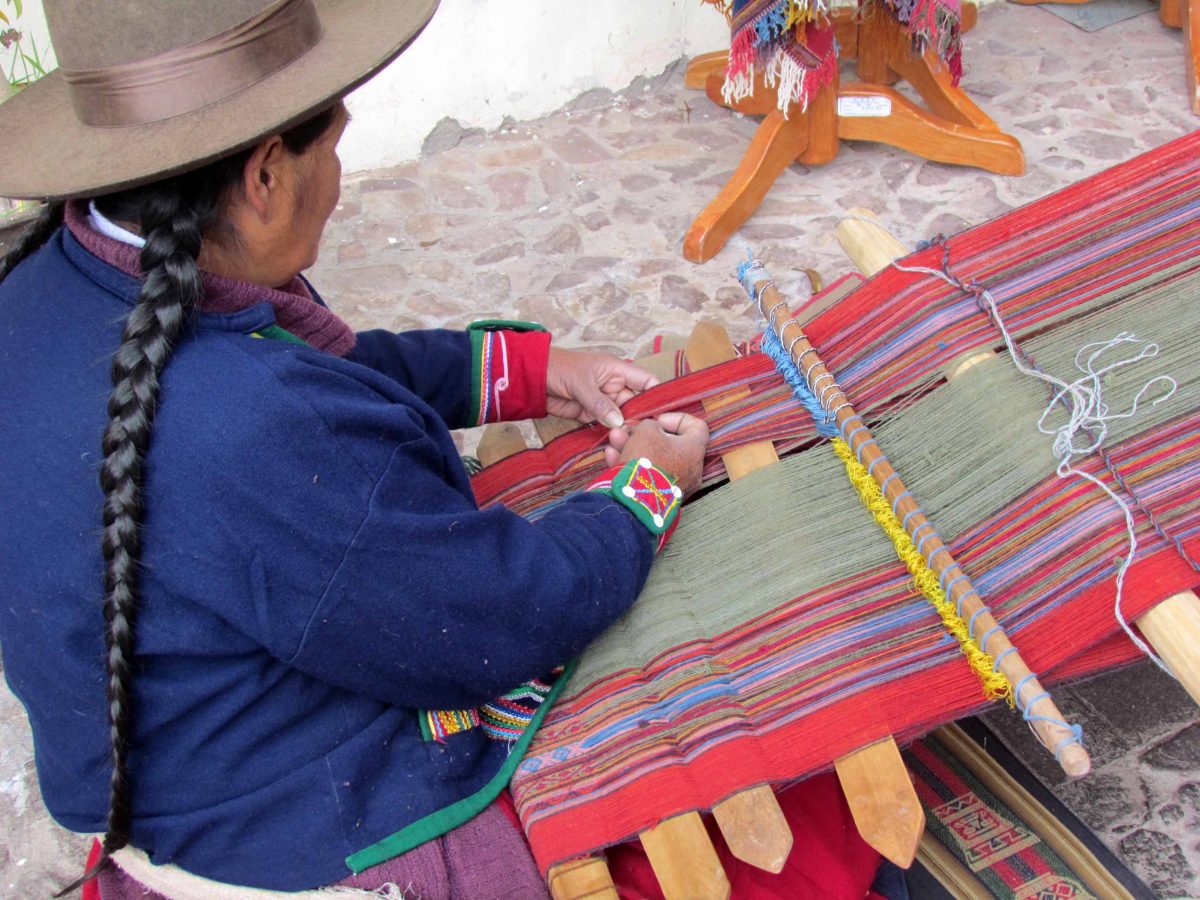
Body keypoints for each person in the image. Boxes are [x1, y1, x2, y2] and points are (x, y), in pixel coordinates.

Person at [0, 1, 710, 896]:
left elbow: (304, 366)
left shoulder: (47, 290)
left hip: (159, 755)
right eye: (331, 147)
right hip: (287, 818)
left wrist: (527, 371)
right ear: (265, 174)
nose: (335, 176)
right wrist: (648, 488)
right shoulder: (251, 427)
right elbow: (496, 615)